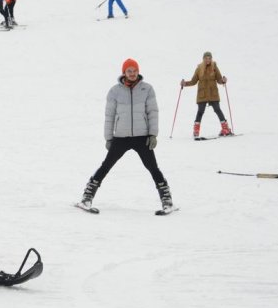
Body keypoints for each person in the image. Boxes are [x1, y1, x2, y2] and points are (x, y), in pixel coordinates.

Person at [76, 58, 173, 214]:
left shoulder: (147, 89)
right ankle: (87, 197)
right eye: (129, 71)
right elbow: (110, 115)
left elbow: (153, 113)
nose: (132, 73)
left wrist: (153, 134)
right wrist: (108, 137)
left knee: (152, 167)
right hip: (120, 137)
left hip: (142, 137)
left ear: (138, 71)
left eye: (135, 71)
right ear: (124, 72)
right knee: (106, 166)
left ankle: (167, 200)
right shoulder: (115, 91)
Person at [180, 52, 232, 137]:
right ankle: (196, 131)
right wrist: (184, 83)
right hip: (202, 94)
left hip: (213, 93)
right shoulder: (199, 68)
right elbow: (193, 81)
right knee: (200, 111)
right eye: (206, 58)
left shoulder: (214, 67)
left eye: (209, 58)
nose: (208, 60)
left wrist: (223, 80)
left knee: (217, 109)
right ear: (203, 59)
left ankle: (225, 129)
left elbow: (219, 79)